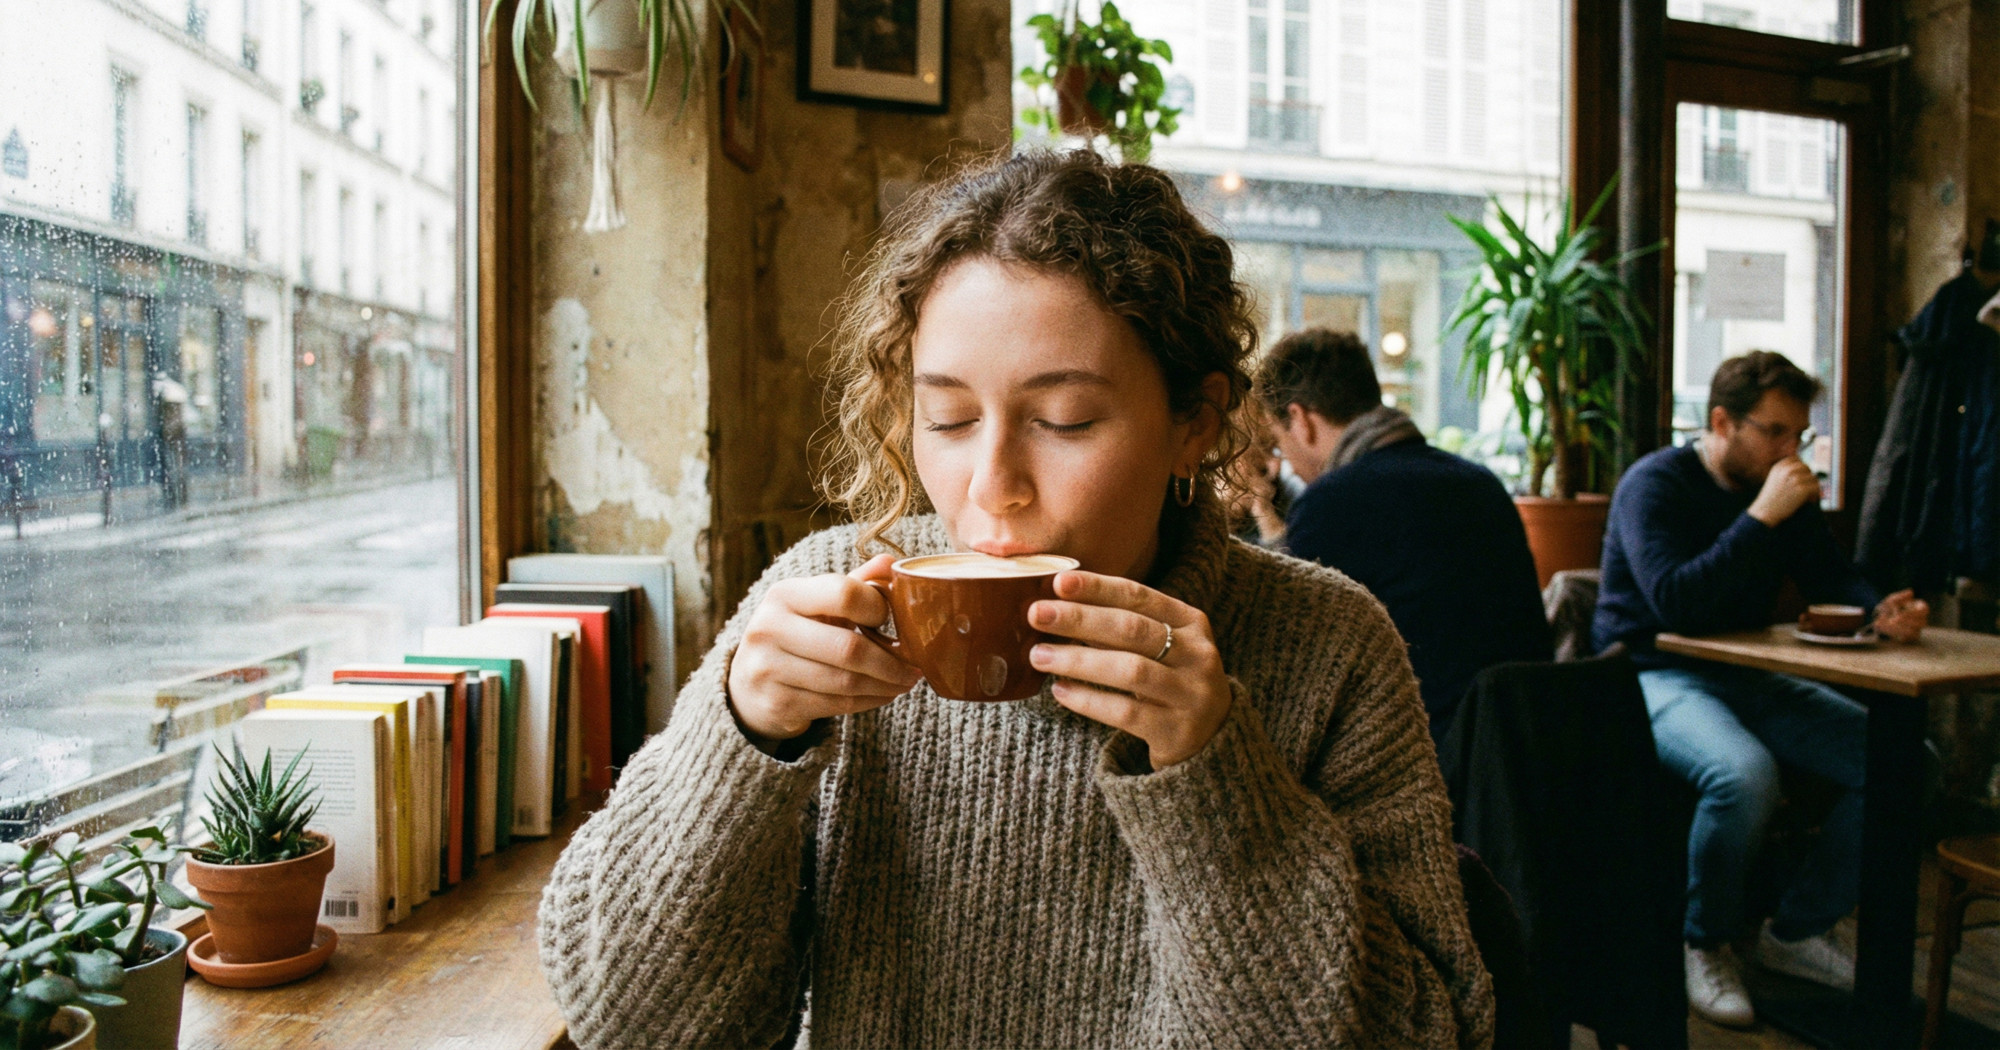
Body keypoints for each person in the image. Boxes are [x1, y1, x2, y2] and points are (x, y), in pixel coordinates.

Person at [537, 151, 1493, 1048]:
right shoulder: (822, 600)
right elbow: (631, 1020)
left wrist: (1215, 783)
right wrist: (743, 738)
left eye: (1065, 420)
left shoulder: (1329, 644)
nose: (992, 484)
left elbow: (1431, 1030)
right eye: (947, 417)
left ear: (1194, 427)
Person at [1592, 350, 1930, 1029]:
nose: (1789, 449)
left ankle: (1795, 930)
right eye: (1775, 432)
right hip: (1649, 672)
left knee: (1908, 762)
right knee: (1744, 774)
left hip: (1748, 674)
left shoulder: (1780, 492)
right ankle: (1705, 941)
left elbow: (1832, 577)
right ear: (1723, 421)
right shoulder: (1654, 484)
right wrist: (1760, 519)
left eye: (1799, 435)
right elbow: (1677, 601)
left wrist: (1880, 610)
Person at [1253, 328, 1550, 746]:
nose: (1287, 462)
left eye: (1279, 442)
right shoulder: (1482, 484)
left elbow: (1283, 662)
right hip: (1526, 749)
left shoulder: (1333, 504)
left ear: (1301, 421)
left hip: (1424, 762)